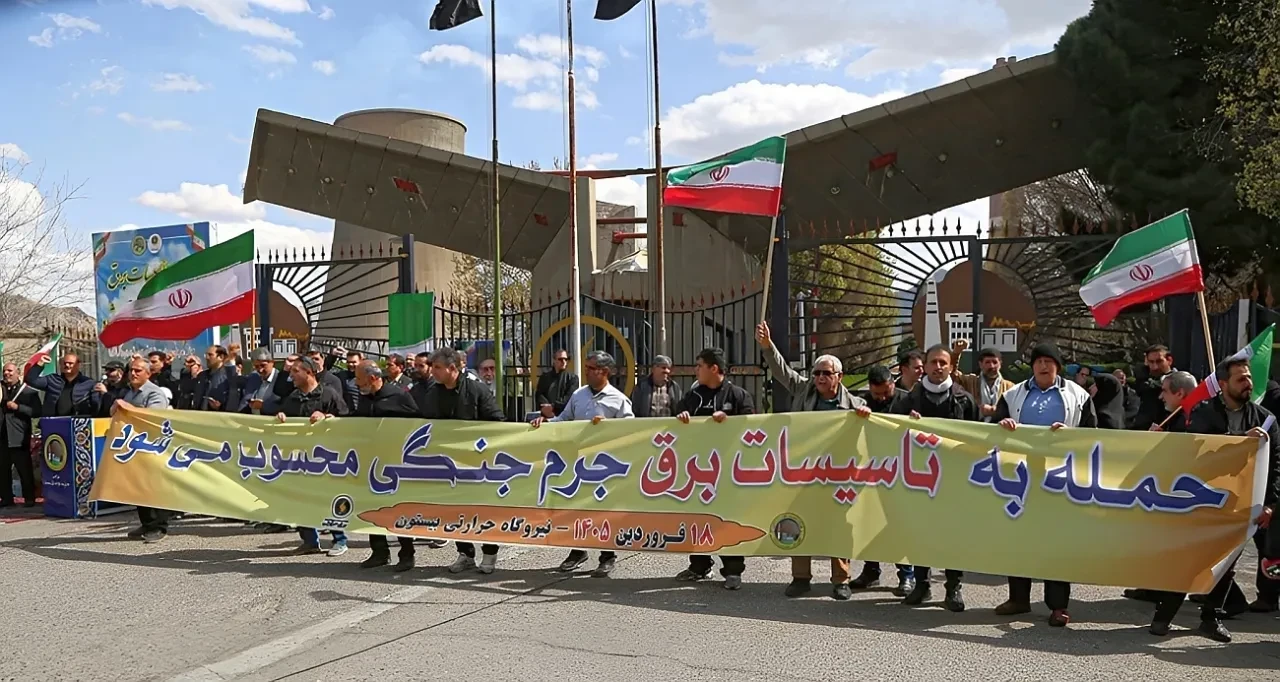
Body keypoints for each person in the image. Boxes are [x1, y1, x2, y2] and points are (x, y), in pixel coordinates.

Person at [1147, 357, 1280, 641]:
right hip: (1202, 501)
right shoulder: (1203, 412)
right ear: (1223, 384)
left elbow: (1276, 465)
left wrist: (1271, 504)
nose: (1248, 383)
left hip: (1241, 505)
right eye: (1240, 379)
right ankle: (1163, 616)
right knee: (1188, 560)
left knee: (1226, 566)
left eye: (1249, 378)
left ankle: (1211, 618)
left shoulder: (1265, 419)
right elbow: (1199, 452)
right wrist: (1241, 440)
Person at [991, 343, 1098, 628]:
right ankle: (1018, 598)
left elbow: (1093, 434)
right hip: (1020, 477)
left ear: (1058, 366)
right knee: (1019, 537)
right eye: (1038, 361)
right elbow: (990, 428)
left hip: (1060, 477)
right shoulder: (1012, 395)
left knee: (1057, 542)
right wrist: (1002, 423)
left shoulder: (1078, 395)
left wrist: (1070, 435)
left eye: (1049, 361)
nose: (1043, 366)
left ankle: (1058, 605)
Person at [757, 322, 866, 600]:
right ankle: (800, 578)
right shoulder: (804, 391)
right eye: (816, 372)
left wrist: (865, 418)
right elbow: (782, 371)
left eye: (825, 373)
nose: (819, 377)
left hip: (836, 475)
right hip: (804, 472)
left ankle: (841, 580)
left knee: (838, 525)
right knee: (799, 521)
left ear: (839, 377)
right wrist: (768, 346)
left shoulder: (855, 406)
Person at [533, 350, 636, 577]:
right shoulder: (579, 395)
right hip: (578, 464)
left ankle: (607, 556)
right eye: (586, 367)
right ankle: (578, 551)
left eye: (591, 368)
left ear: (604, 372)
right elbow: (564, 420)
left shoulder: (618, 400)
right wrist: (546, 423)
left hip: (605, 467)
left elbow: (630, 431)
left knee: (603, 512)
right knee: (576, 508)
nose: (586, 372)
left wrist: (609, 426)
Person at [902, 344, 978, 611]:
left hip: (953, 481)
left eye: (943, 363)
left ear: (951, 366)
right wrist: (905, 422)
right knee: (920, 532)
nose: (938, 367)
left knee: (952, 535)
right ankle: (922, 585)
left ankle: (953, 588)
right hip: (918, 479)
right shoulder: (909, 400)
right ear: (925, 365)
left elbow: (977, 438)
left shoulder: (964, 400)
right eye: (933, 362)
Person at [417, 347, 508, 573]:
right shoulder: (434, 393)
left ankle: (489, 553)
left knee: (483, 509)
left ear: (452, 368)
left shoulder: (476, 389)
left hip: (478, 463)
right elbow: (426, 423)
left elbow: (497, 421)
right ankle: (465, 554)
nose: (433, 371)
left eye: (437, 367)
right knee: (455, 510)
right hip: (449, 464)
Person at [674, 347, 756, 589]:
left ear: (714, 368)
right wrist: (681, 417)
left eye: (699, 365)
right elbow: (674, 419)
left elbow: (753, 426)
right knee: (697, 518)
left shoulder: (738, 395)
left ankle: (733, 571)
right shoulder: (693, 396)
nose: (695, 370)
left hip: (728, 472)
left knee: (727, 520)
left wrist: (731, 422)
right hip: (697, 472)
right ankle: (699, 566)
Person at [353, 361, 425, 571]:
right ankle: (379, 552)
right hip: (370, 462)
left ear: (372, 378)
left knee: (398, 509)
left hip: (395, 464)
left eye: (359, 379)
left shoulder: (398, 396)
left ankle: (406, 554)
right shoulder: (365, 397)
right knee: (371, 507)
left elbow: (417, 423)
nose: (356, 383)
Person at [275, 356, 350, 556]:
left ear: (308, 372)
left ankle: (340, 540)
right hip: (300, 459)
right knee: (300, 498)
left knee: (329, 498)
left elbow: (347, 420)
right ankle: (309, 540)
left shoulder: (329, 394)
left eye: (295, 371)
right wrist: (281, 417)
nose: (291, 376)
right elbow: (285, 417)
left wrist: (328, 418)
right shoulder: (293, 397)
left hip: (327, 459)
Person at [851, 365, 915, 595]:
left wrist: (915, 421)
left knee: (899, 525)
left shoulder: (908, 400)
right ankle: (871, 570)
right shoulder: (861, 402)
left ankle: (906, 575)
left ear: (892, 384)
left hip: (900, 472)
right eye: (876, 393)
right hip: (869, 471)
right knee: (869, 523)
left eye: (886, 392)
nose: (881, 398)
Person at [113, 359, 172, 542]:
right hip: (134, 446)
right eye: (131, 370)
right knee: (138, 487)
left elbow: (154, 417)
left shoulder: (154, 393)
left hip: (152, 446)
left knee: (154, 487)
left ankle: (159, 526)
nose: (133, 373)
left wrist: (127, 408)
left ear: (148, 373)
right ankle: (147, 523)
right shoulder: (130, 392)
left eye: (138, 370)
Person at [0, 363, 40, 508]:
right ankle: (6, 498)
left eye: (10, 371)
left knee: (24, 470)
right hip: (2, 437)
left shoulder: (28, 392)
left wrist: (18, 407)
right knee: (2, 471)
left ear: (18, 373)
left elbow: (37, 411)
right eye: (4, 371)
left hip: (19, 436)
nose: (7, 373)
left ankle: (29, 498)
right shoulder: (1, 389)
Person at [951, 340, 1012, 423]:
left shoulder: (1009, 387)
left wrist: (994, 410)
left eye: (995, 362)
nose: (991, 366)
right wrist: (956, 353)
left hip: (999, 428)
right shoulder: (971, 381)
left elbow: (1014, 410)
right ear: (980, 364)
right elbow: (951, 374)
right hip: (975, 426)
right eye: (987, 362)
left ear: (1000, 364)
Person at [26, 352, 100, 417]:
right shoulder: (52, 380)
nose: (67, 365)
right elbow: (31, 380)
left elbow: (96, 405)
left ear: (78, 365)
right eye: (64, 363)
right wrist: (40, 363)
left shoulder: (88, 383)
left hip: (78, 423)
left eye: (70, 363)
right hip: (52, 422)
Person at [1132, 344, 1176, 431]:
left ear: (1169, 360)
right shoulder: (1144, 381)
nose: (1155, 367)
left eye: (1159, 361)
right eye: (1151, 362)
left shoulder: (1178, 380)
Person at [194, 345, 241, 414]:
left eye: (210, 355)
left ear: (221, 357)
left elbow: (234, 399)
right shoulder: (202, 376)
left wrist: (220, 407)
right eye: (206, 355)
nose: (207, 358)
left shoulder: (228, 377)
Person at [239, 347, 282, 415]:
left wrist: (263, 406)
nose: (260, 370)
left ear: (272, 363)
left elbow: (284, 407)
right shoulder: (253, 377)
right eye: (256, 366)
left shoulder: (281, 380)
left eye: (263, 365)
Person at [536, 349, 578, 418]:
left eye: (566, 359)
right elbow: (539, 395)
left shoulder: (573, 378)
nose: (564, 362)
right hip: (546, 416)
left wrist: (553, 407)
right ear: (554, 360)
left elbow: (569, 398)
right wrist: (547, 410)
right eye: (560, 359)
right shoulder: (544, 377)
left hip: (565, 417)